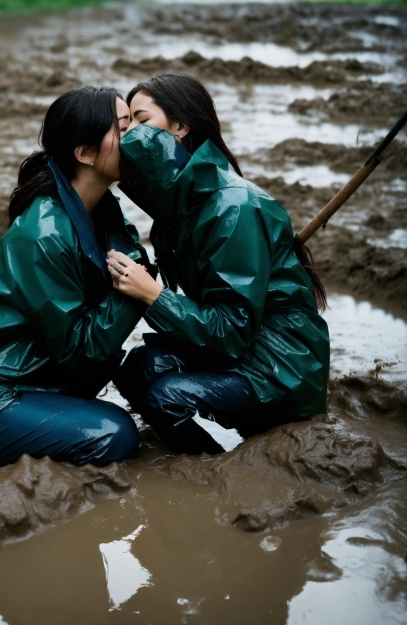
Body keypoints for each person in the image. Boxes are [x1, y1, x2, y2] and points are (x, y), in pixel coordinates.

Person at [107, 72, 330, 455]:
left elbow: (230, 329)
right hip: (240, 347)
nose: (129, 137)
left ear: (179, 126)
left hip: (280, 366)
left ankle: (211, 470)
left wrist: (153, 296)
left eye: (142, 122)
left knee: (166, 397)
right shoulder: (175, 212)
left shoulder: (233, 206)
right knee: (136, 369)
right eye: (124, 127)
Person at [0, 86, 153, 469]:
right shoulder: (45, 233)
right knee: (113, 433)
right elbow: (81, 351)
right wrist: (137, 289)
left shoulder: (100, 206)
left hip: (36, 385)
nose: (137, 137)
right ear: (84, 153)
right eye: (124, 128)